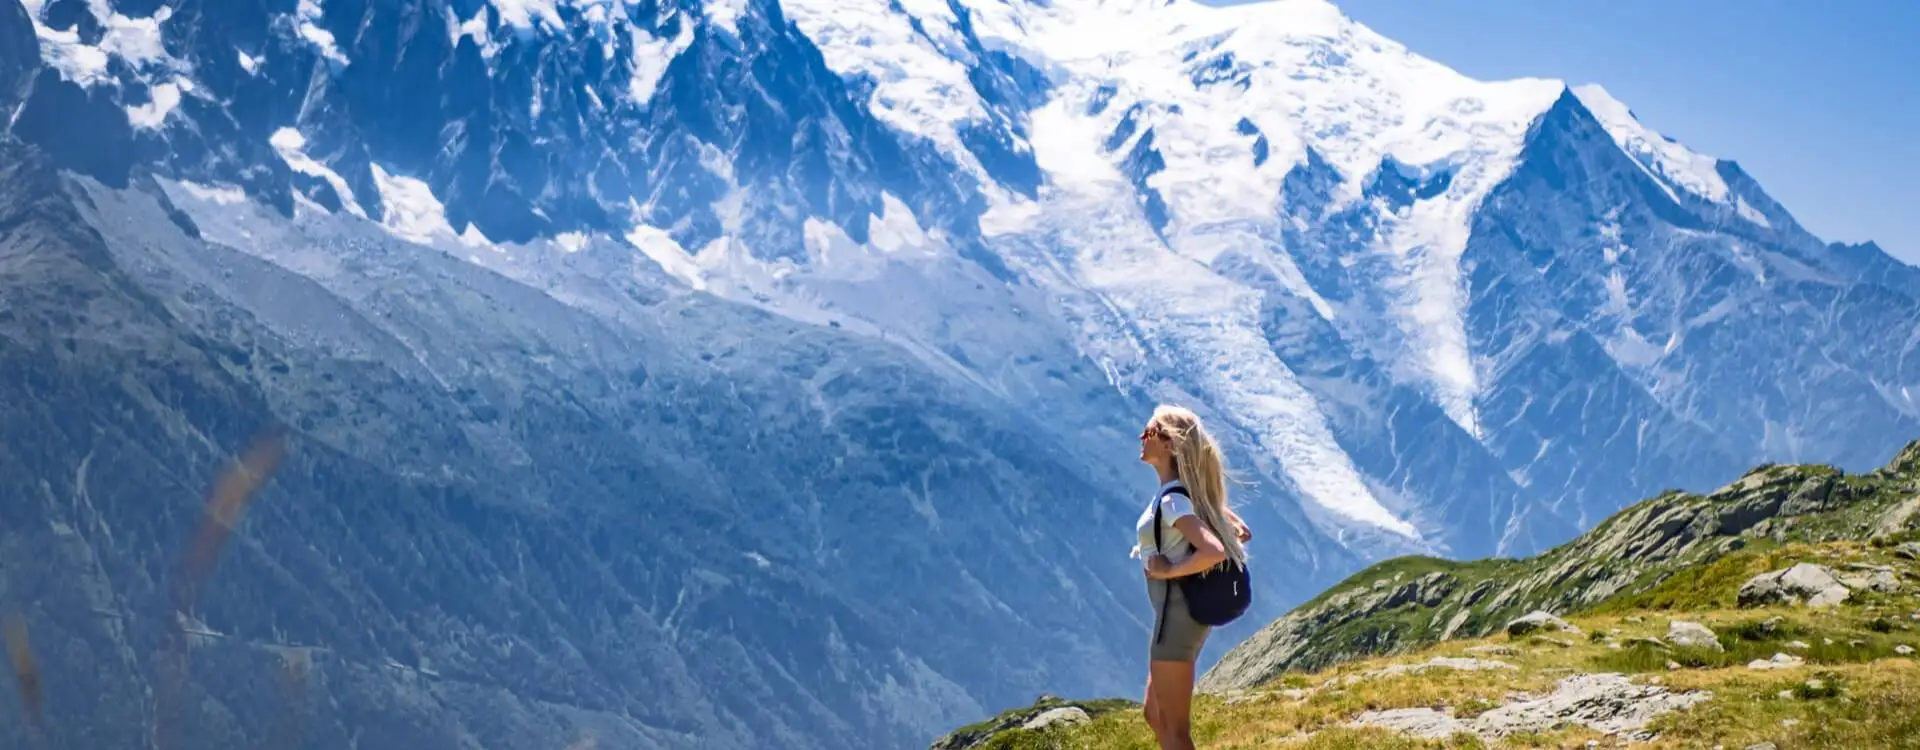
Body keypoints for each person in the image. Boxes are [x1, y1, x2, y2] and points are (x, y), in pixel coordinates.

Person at [1132, 405, 1250, 750]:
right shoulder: (1180, 495)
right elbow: (1237, 532)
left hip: (1177, 617)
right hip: (1174, 617)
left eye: (1149, 432)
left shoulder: (1173, 501)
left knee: (1174, 730)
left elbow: (1213, 550)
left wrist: (1169, 570)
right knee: (1154, 714)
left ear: (1169, 444)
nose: (1141, 438)